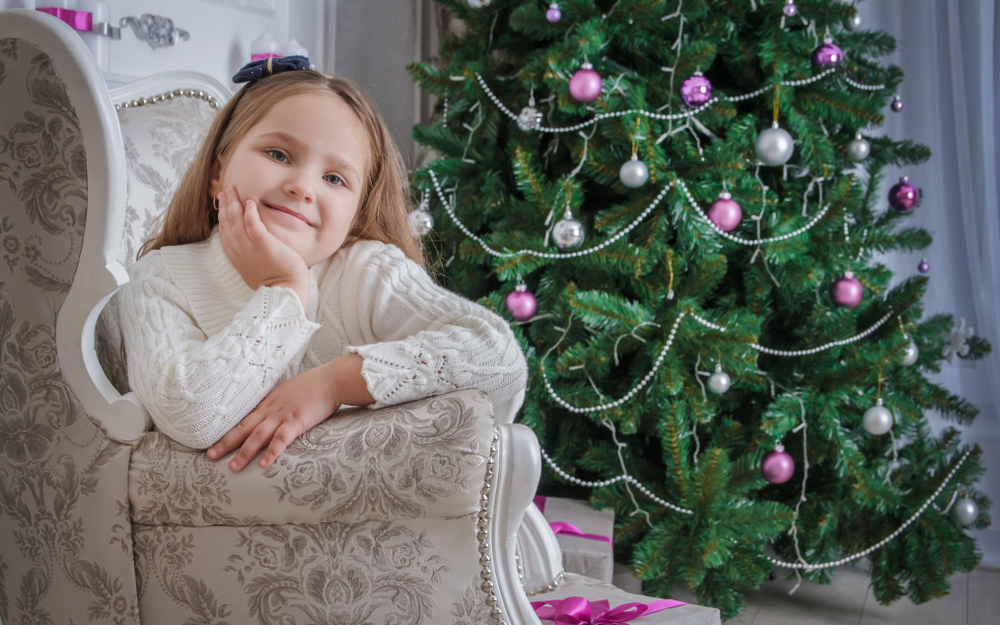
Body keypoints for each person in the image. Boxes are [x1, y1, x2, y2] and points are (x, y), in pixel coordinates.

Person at [116, 57, 528, 472]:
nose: (302, 186)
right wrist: (284, 290)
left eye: (334, 179)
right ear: (217, 172)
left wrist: (333, 383)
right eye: (278, 154)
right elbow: (192, 414)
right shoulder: (159, 278)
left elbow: (498, 357)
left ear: (357, 212)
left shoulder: (366, 272)